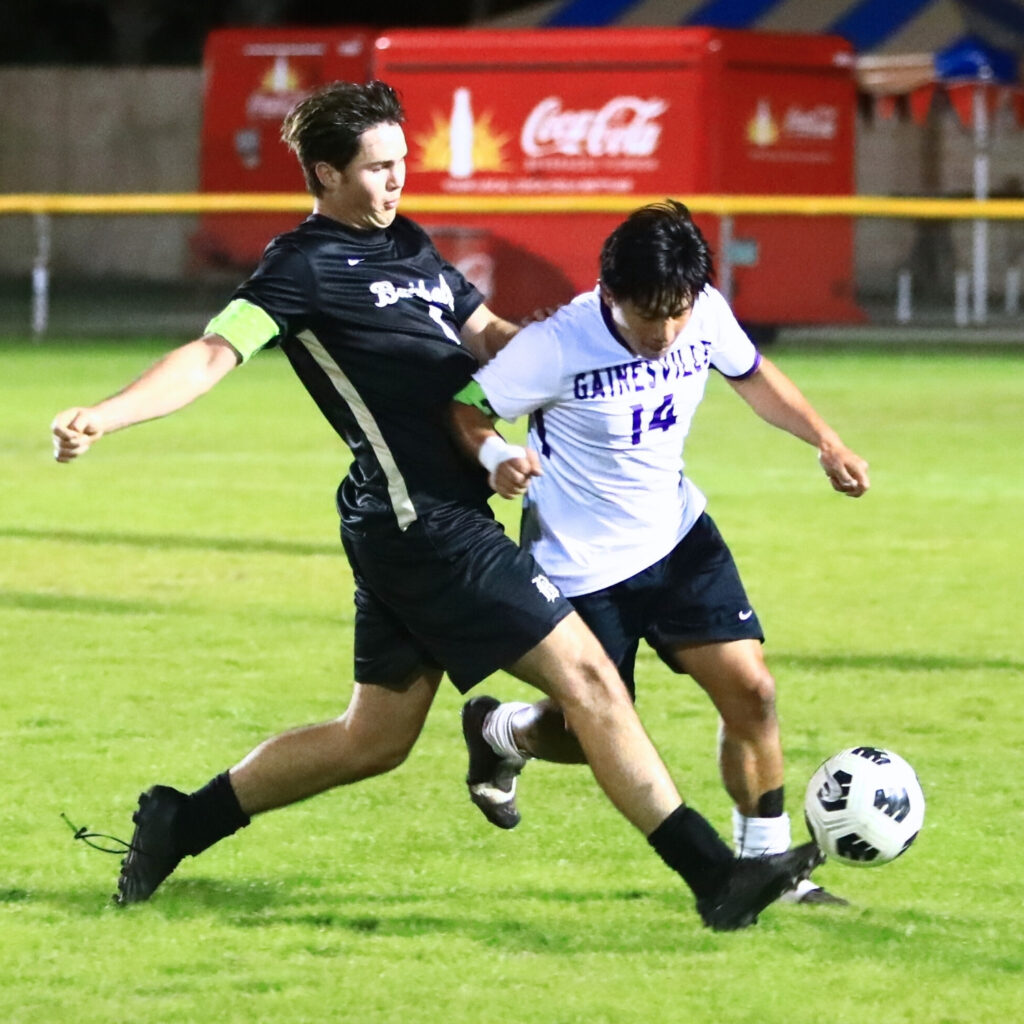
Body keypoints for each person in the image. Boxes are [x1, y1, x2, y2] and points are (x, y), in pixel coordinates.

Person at [50, 83, 821, 930]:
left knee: (371, 740)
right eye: (378, 168)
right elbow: (207, 356)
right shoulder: (299, 267)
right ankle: (715, 875)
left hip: (419, 519)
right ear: (324, 173)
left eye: (402, 162)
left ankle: (179, 820)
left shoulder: (407, 243)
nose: (396, 182)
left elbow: (487, 334)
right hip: (425, 524)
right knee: (592, 680)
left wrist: (574, 351)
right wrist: (105, 416)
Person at [450, 199, 869, 904]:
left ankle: (771, 870)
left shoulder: (701, 310)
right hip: (579, 567)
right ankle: (499, 730)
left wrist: (825, 440)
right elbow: (465, 408)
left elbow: (754, 375)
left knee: (753, 691)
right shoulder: (557, 344)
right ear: (609, 292)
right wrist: (496, 455)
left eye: (678, 312)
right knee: (591, 737)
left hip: (677, 540)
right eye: (650, 315)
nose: (667, 331)